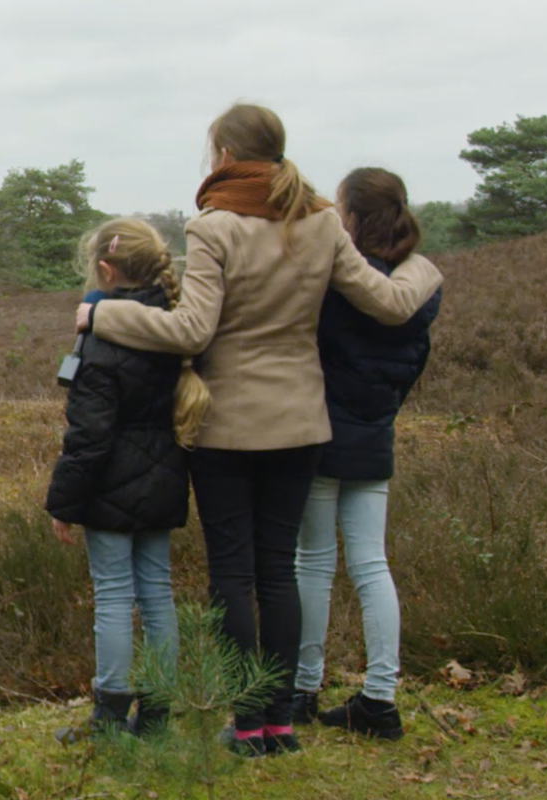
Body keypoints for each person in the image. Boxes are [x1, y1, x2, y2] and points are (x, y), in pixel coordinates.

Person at [76, 104, 443, 757]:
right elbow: (389, 303)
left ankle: (246, 725)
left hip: (226, 429)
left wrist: (101, 317)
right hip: (302, 423)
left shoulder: (214, 227)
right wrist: (426, 268)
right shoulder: (323, 221)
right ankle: (279, 725)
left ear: (223, 154)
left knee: (232, 579)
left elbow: (191, 331)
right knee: (277, 574)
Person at [46, 218, 210, 739]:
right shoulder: (175, 326)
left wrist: (63, 502)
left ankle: (110, 715)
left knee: (114, 595)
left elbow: (89, 437)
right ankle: (158, 712)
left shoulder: (100, 343)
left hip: (110, 488)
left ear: (105, 271)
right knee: (157, 593)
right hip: (164, 477)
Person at [292, 167, 441, 740]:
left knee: (313, 562)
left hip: (324, 432)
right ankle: (379, 698)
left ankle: (305, 688)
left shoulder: (341, 283)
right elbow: (410, 366)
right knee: (371, 565)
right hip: (376, 435)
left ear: (351, 218)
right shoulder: (419, 286)